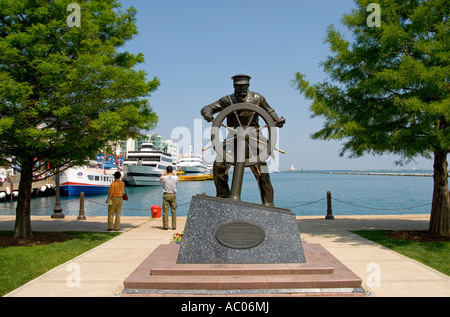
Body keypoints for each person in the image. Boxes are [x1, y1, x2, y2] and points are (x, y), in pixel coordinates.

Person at [200, 74, 285, 206]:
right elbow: (207, 108)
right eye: (239, 86)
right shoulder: (228, 100)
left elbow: (270, 112)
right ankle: (223, 196)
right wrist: (207, 113)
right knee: (219, 166)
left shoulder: (258, 98)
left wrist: (277, 120)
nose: (242, 88)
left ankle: (268, 203)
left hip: (255, 138)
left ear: (248, 85)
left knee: (261, 170)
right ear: (234, 86)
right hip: (233, 138)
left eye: (244, 86)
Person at [159, 166, 179, 230]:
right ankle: (174, 226)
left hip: (166, 195)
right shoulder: (175, 178)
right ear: (172, 171)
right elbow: (178, 180)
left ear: (166, 171)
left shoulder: (164, 178)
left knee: (165, 211)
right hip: (173, 195)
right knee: (173, 211)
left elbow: (159, 180)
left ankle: (165, 226)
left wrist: (163, 173)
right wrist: (174, 174)